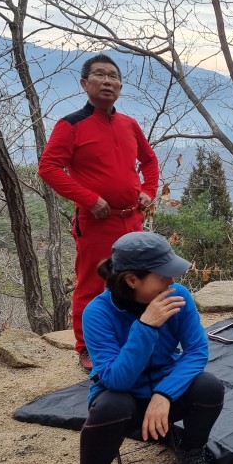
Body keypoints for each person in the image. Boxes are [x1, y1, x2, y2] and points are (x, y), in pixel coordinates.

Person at [69, 232, 224, 464]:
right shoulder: (97, 313)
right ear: (132, 280)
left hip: (165, 391)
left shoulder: (179, 297)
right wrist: (146, 326)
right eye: (164, 276)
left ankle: (190, 453)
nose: (172, 283)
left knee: (209, 387)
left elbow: (197, 352)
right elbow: (116, 379)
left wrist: (165, 393)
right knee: (111, 404)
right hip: (125, 399)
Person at [39, 54, 160, 371]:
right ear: (84, 83)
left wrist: (148, 190)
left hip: (132, 219)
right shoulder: (71, 125)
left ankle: (135, 338)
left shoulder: (129, 124)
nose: (108, 81)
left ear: (120, 86)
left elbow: (149, 160)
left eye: (113, 76)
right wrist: (89, 199)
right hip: (96, 222)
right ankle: (86, 348)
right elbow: (49, 168)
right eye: (100, 75)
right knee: (93, 285)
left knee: (135, 281)